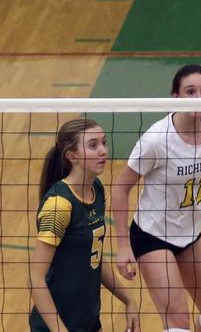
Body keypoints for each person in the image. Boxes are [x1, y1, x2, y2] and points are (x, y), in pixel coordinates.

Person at [112, 64, 201, 331]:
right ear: (174, 98)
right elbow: (120, 188)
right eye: (190, 91)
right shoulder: (156, 140)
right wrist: (123, 247)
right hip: (152, 236)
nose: (199, 97)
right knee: (178, 321)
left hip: (190, 234)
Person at [29, 118, 139, 332]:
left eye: (103, 143)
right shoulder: (58, 205)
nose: (103, 151)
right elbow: (35, 278)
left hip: (88, 322)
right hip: (55, 326)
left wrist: (129, 300)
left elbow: (93, 257)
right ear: (72, 156)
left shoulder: (96, 190)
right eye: (93, 145)